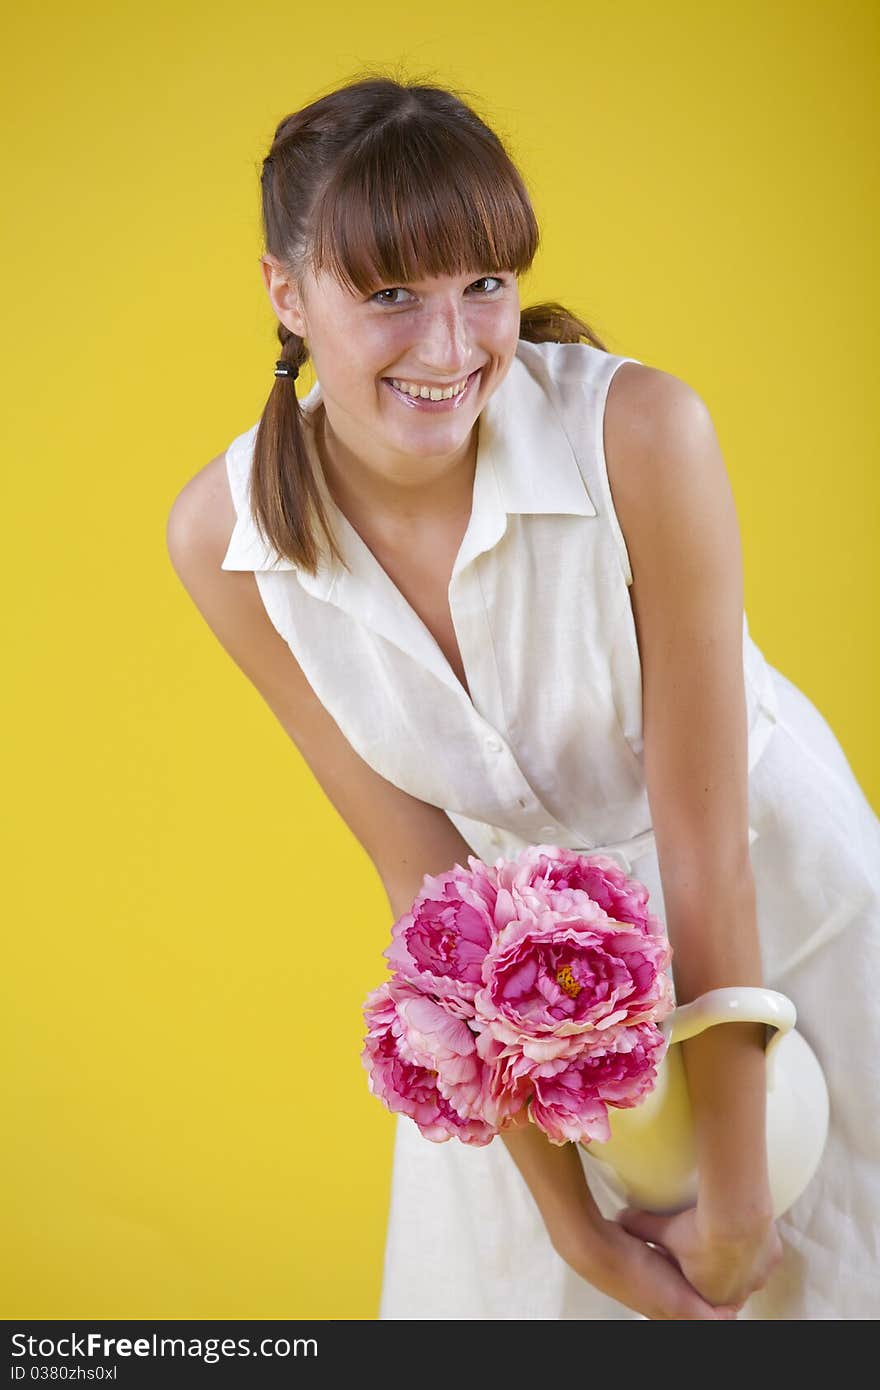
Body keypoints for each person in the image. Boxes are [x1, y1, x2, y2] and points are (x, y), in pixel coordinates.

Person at [166, 73, 880, 1320]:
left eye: (481, 286)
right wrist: (579, 1237)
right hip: (527, 1012)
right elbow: (425, 883)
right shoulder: (226, 540)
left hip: (778, 942)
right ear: (286, 294)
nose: (450, 350)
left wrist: (736, 1185)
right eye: (391, 294)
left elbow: (706, 849)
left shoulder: (643, 435)